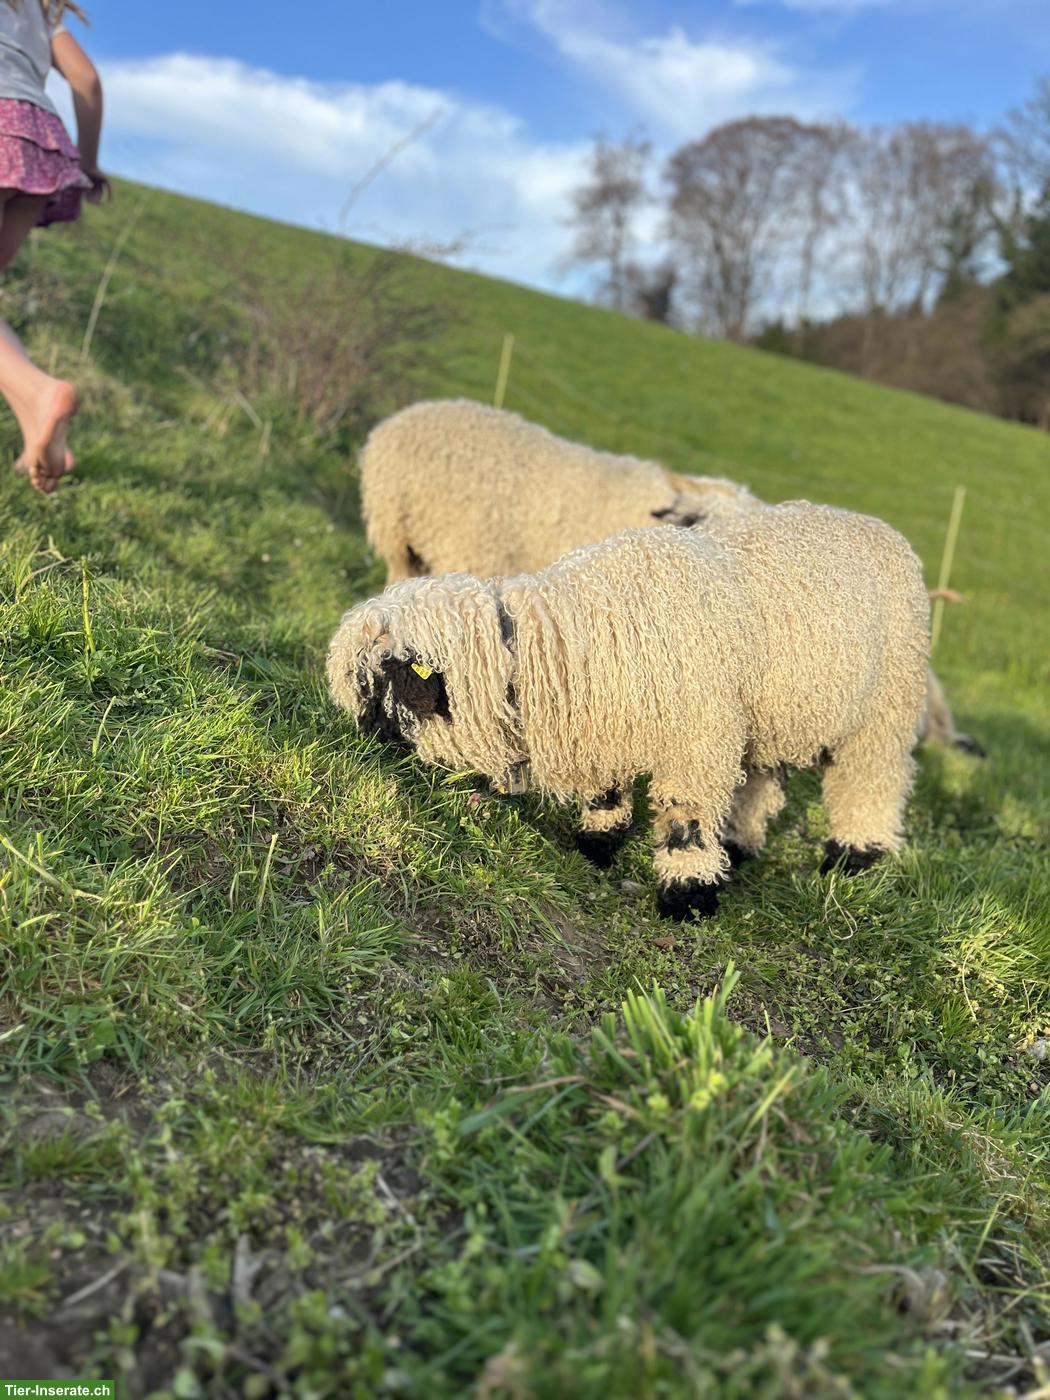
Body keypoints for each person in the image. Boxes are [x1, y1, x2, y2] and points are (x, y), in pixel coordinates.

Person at [0, 0, 107, 494]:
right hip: (38, 136)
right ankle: (36, 432)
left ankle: (41, 393)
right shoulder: (43, 14)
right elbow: (86, 80)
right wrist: (89, 163)